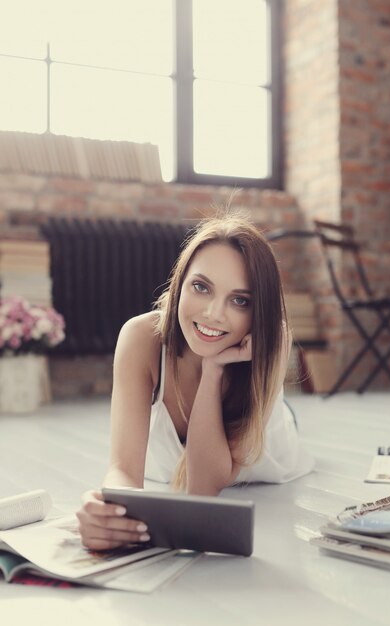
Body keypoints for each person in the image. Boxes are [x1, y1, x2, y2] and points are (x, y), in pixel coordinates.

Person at [77, 213, 314, 550]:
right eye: (201, 287)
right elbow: (124, 470)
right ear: (180, 282)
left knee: (283, 415)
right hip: (196, 450)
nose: (213, 314)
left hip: (270, 441)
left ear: (258, 311)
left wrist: (214, 370)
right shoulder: (141, 337)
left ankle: (281, 406)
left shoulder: (274, 339)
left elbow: (203, 487)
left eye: (240, 300)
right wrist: (106, 509)